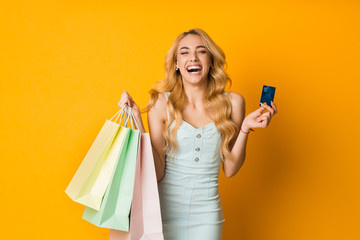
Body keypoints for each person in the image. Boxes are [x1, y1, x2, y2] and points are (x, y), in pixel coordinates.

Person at [117, 28, 278, 240]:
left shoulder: (233, 103)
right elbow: (157, 172)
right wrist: (138, 119)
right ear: (176, 64)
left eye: (201, 51)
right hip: (161, 214)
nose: (193, 57)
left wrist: (245, 128)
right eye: (184, 52)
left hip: (207, 216)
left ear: (211, 61)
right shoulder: (160, 103)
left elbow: (230, 169)